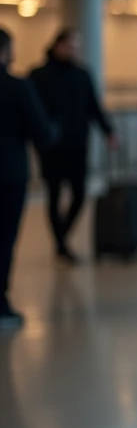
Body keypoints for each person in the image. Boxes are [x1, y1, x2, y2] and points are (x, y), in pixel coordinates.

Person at [29, 28, 115, 264]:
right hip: (51, 147)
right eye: (70, 45)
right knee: (54, 195)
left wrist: (108, 131)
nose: (73, 50)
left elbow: (93, 106)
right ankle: (61, 245)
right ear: (57, 45)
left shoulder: (82, 74)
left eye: (77, 46)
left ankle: (61, 238)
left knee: (79, 194)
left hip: (78, 144)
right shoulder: (38, 75)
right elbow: (32, 113)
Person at [0, 27, 58, 329]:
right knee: (5, 238)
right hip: (9, 173)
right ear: (6, 52)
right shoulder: (17, 87)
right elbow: (43, 133)